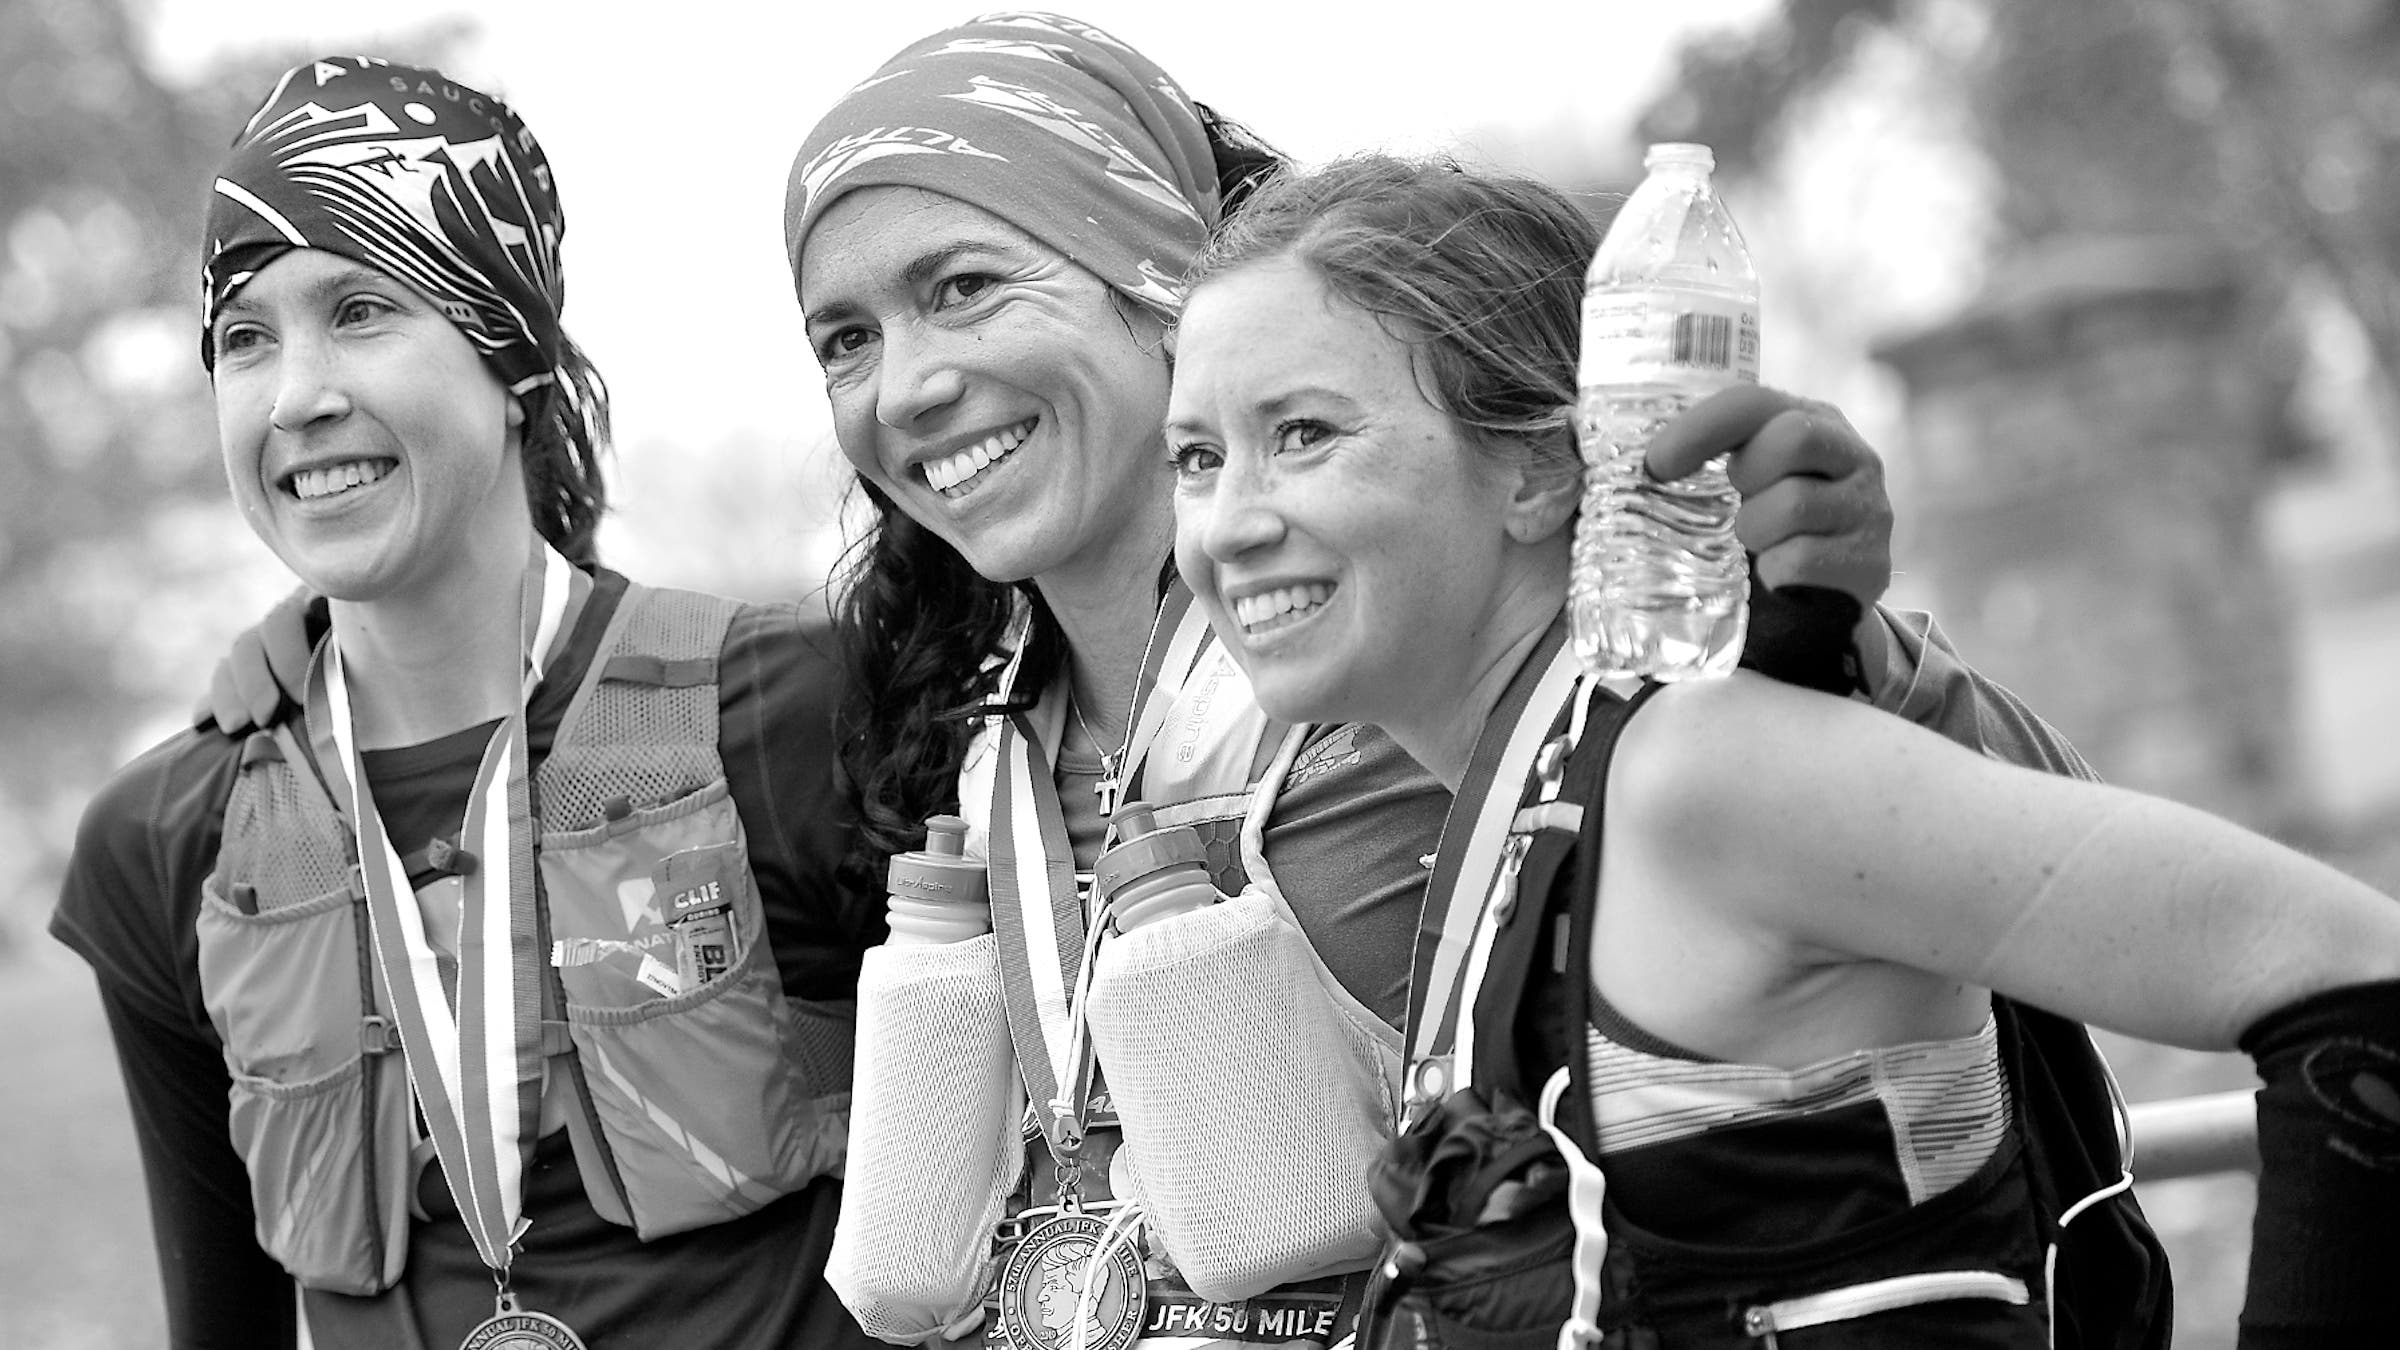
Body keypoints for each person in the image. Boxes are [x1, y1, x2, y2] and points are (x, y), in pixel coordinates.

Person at [779, 14, 2104, 1350]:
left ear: (1156, 277)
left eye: (962, 287)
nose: (908, 384)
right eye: (844, 337)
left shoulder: (1434, 638)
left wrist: (1839, 643)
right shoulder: (961, 733)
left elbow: (2031, 869)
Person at [1163, 152, 2400, 1349]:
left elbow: (2354, 975)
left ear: (1542, 471)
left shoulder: (1696, 771)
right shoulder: (1525, 806)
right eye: (1198, 458)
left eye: (1305, 434)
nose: (1228, 524)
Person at [52, 57, 882, 1349]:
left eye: (361, 308)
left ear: (511, 360)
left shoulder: (792, 715)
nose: (295, 393)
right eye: (243, 338)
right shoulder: (173, 840)